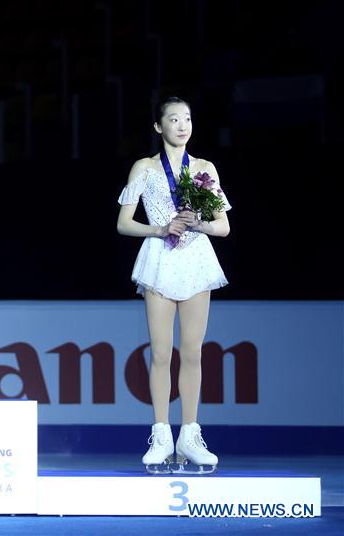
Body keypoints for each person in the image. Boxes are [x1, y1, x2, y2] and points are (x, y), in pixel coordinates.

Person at [116, 96, 231, 473]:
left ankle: (191, 436)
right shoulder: (145, 169)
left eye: (188, 118)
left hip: (196, 260)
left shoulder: (205, 168)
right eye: (174, 118)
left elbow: (223, 226)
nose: (182, 125)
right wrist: (161, 228)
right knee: (162, 353)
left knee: (193, 351)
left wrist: (197, 224)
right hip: (160, 259)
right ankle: (162, 434)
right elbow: (124, 223)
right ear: (157, 126)